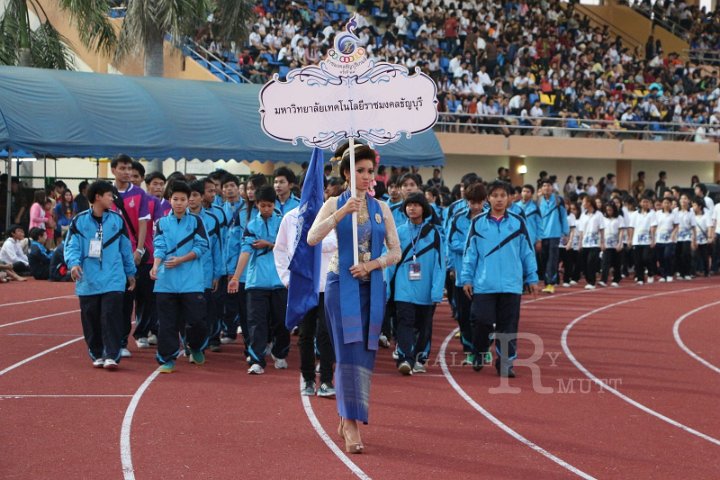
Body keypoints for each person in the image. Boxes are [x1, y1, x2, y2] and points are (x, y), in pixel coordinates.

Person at [307, 143, 400, 454]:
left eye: (370, 171)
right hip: (339, 285)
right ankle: (350, 422)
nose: (366, 176)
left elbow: (396, 252)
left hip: (372, 287)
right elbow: (312, 237)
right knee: (347, 352)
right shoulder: (335, 203)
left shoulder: (382, 209)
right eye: (359, 171)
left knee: (365, 353)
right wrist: (339, 214)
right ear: (346, 173)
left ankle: (348, 415)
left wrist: (371, 266)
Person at [461, 181, 539, 377]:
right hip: (484, 284)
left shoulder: (518, 223)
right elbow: (470, 254)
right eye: (495, 195)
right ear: (488, 198)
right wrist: (466, 278)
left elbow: (527, 252)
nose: (499, 199)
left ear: (509, 198)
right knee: (481, 320)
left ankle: (505, 363)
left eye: (503, 195)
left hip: (511, 285)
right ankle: (479, 352)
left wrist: (532, 277)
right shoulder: (477, 223)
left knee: (508, 326)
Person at [65, 181, 137, 369]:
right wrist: (73, 265)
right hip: (88, 279)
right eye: (109, 195)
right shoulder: (79, 221)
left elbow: (125, 248)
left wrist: (130, 272)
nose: (112, 199)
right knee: (91, 318)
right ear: (97, 197)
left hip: (113, 278)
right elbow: (72, 246)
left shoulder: (117, 220)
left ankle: (112, 354)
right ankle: (97, 352)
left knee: (111, 316)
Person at [274, 199, 337, 397]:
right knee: (305, 334)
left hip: (327, 284)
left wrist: (310, 242)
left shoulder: (332, 216)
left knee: (326, 334)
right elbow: (281, 249)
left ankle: (326, 380)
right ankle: (308, 378)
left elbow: (336, 243)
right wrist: (286, 279)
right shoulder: (291, 218)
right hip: (303, 285)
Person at [228, 185, 290, 375]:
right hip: (256, 283)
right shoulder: (252, 226)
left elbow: (288, 248)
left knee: (282, 321)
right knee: (256, 323)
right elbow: (245, 251)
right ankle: (256, 360)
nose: (266, 209)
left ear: (274, 205)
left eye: (269, 206)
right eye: (263, 206)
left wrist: (268, 244)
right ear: (257, 205)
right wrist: (236, 277)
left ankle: (279, 354)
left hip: (280, 281)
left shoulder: (282, 223)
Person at [150, 181, 209, 373]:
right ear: (169, 200)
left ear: (188, 200)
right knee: (167, 323)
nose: (179, 203)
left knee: (197, 320)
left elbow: (201, 247)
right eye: (175, 199)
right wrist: (155, 266)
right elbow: (159, 246)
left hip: (191, 281)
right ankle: (167, 358)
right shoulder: (161, 223)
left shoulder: (196, 221)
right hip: (166, 281)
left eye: (183, 199)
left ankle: (196, 346)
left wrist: (181, 259)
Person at [387, 193, 445, 375]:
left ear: (424, 209)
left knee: (423, 326)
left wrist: (437, 290)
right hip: (403, 289)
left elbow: (440, 264)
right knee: (404, 322)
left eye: (416, 205)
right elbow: (388, 261)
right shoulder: (398, 232)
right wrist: (386, 287)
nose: (412, 208)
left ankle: (420, 358)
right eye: (409, 205)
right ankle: (405, 359)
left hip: (426, 290)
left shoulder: (434, 233)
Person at [110, 154, 151, 359]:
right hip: (109, 257)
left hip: (131, 255)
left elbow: (143, 222)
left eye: (129, 169)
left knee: (127, 300)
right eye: (122, 168)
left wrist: (139, 250)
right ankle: (109, 339)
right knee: (110, 300)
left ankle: (121, 341)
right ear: (113, 170)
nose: (126, 172)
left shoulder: (139, 194)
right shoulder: (105, 193)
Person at [447, 183, 486, 364]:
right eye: (472, 202)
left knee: (483, 316)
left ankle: (484, 347)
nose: (476, 206)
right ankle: (469, 349)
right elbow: (451, 242)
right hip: (463, 275)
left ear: (485, 201)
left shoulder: (491, 219)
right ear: (466, 201)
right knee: (464, 316)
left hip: (485, 277)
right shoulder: (458, 218)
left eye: (479, 202)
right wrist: (471, 246)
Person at [188, 180, 224, 355]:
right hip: (185, 275)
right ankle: (190, 344)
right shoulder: (177, 218)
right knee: (188, 313)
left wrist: (217, 274)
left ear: (202, 197)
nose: (191, 199)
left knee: (207, 312)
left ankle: (210, 339)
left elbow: (217, 248)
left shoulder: (212, 219)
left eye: (195, 195)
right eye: (189, 196)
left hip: (207, 274)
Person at [538, 179, 569, 293]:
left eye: (549, 185)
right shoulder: (538, 201)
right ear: (541, 188)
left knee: (552, 259)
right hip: (541, 234)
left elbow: (563, 216)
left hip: (554, 234)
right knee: (544, 259)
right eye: (544, 185)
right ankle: (547, 282)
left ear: (552, 188)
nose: (546, 188)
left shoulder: (558, 200)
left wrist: (565, 233)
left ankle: (551, 283)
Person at [628, 195, 657, 284]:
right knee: (638, 260)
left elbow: (653, 227)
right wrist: (630, 239)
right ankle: (640, 278)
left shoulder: (652, 214)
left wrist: (652, 239)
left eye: (647, 202)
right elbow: (631, 227)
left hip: (647, 240)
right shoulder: (634, 214)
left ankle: (650, 273)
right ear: (640, 203)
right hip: (637, 240)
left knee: (646, 258)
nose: (645, 203)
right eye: (643, 202)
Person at [577, 196, 604, 289]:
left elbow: (601, 229)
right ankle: (589, 280)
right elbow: (581, 230)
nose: (582, 204)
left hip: (595, 243)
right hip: (585, 242)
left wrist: (602, 242)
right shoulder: (583, 215)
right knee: (584, 263)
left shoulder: (599, 214)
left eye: (584, 202)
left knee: (590, 262)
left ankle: (592, 282)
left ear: (589, 203)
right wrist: (580, 242)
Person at [599, 203, 625, 287]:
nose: (608, 212)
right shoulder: (603, 219)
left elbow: (621, 231)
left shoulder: (619, 218)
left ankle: (616, 279)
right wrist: (601, 242)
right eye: (607, 210)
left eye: (610, 210)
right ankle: (603, 280)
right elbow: (601, 231)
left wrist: (620, 243)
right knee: (605, 262)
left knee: (617, 262)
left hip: (616, 243)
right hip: (606, 243)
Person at [654, 197, 678, 282]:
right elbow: (654, 226)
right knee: (660, 258)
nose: (666, 204)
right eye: (665, 203)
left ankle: (669, 274)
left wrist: (673, 233)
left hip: (669, 239)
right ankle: (663, 275)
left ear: (671, 204)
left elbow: (676, 226)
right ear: (662, 204)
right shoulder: (657, 213)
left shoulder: (674, 214)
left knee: (667, 256)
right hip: (659, 239)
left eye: (668, 203)